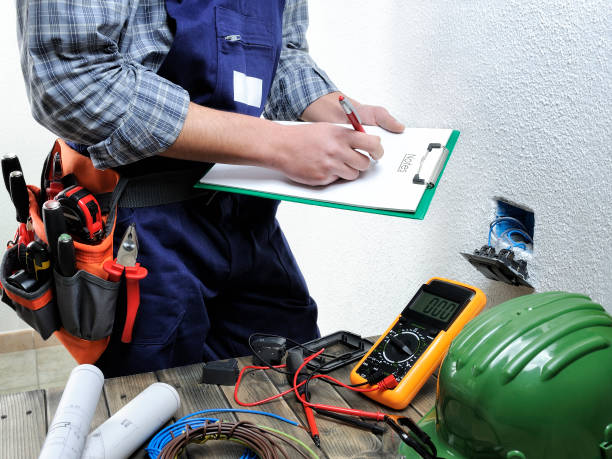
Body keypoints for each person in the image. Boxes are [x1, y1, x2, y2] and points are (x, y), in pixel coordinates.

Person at [17, 0, 404, 377]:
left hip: (245, 213)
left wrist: (329, 105)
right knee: (156, 411)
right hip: (137, 227)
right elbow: (73, 83)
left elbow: (281, 52)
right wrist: (277, 145)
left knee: (295, 382)